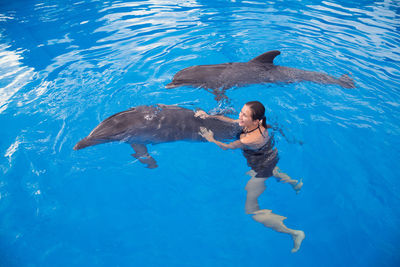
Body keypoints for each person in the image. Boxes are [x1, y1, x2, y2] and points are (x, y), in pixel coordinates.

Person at [196, 101, 305, 253]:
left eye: (244, 115)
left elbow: (227, 147)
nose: (239, 116)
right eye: (241, 112)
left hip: (261, 169)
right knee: (274, 170)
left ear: (256, 120)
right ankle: (295, 184)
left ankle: (293, 233)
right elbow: (233, 120)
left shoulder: (249, 139)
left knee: (251, 209)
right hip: (270, 157)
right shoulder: (260, 125)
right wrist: (209, 116)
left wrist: (211, 138)